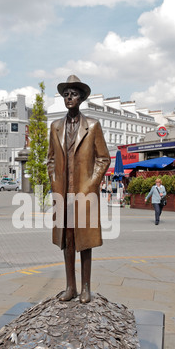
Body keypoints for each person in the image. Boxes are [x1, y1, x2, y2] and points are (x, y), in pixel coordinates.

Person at [47, 75, 110, 303]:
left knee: (85, 242)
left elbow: (103, 158)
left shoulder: (92, 126)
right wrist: (54, 182)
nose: (69, 98)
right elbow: (51, 159)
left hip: (84, 193)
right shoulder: (55, 127)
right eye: (66, 94)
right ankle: (70, 287)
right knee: (67, 241)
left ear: (82, 98)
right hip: (63, 194)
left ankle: (85, 288)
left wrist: (92, 183)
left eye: (73, 94)